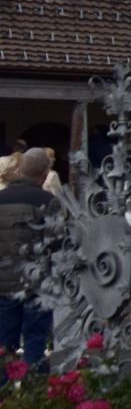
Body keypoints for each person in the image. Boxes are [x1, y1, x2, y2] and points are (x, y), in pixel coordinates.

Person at [0, 149, 56, 368]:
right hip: (36, 284)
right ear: (45, 173)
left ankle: (4, 397)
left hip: (3, 283)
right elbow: (58, 245)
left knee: (4, 345)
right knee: (35, 342)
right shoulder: (48, 202)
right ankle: (33, 395)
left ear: (20, 169)